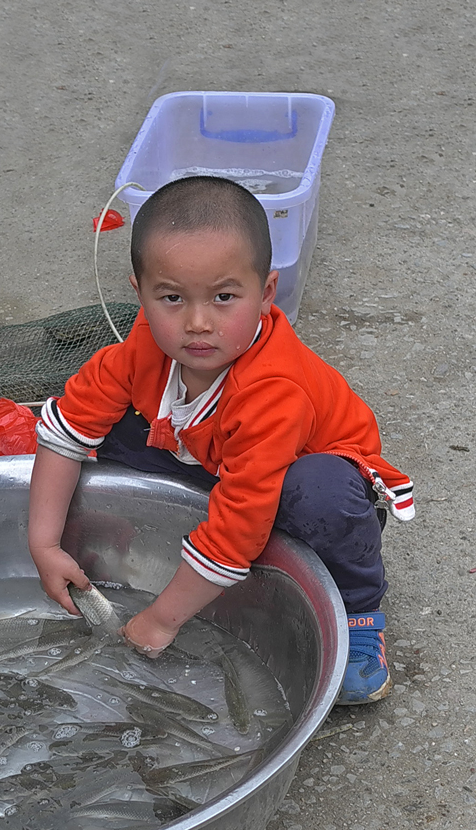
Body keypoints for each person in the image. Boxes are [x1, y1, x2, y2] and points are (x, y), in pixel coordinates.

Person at [28, 175, 414, 705]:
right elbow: (64, 433)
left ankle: (357, 613)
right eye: (172, 298)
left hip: (306, 483)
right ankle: (146, 539)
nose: (197, 323)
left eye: (224, 297)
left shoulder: (273, 390)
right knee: (114, 423)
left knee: (320, 491)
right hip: (211, 457)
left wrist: (161, 620)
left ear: (266, 293)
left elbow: (240, 527)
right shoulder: (139, 348)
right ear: (139, 294)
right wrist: (44, 544)